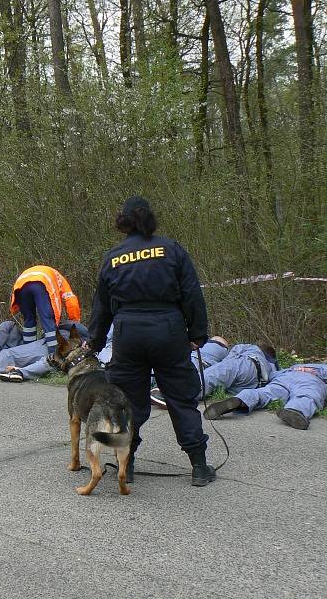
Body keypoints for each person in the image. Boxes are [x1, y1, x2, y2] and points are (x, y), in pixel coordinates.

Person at [87, 195, 216, 487]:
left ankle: (126, 464)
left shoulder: (113, 257)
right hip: (168, 330)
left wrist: (94, 342)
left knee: (127, 402)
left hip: (128, 333)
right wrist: (197, 334)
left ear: (124, 221)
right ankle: (199, 467)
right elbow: (192, 293)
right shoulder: (172, 250)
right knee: (181, 399)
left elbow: (102, 306)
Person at [203, 363, 326, 430]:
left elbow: (272, 376)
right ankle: (296, 410)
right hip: (310, 380)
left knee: (265, 393)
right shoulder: (322, 368)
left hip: (282, 378)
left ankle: (241, 399)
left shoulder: (293, 366)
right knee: (307, 394)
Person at [10, 265, 81, 352]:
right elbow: (71, 301)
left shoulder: (49, 273)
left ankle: (27, 350)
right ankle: (54, 353)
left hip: (20, 285)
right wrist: (75, 322)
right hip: (41, 282)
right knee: (48, 320)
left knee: (29, 321)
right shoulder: (60, 279)